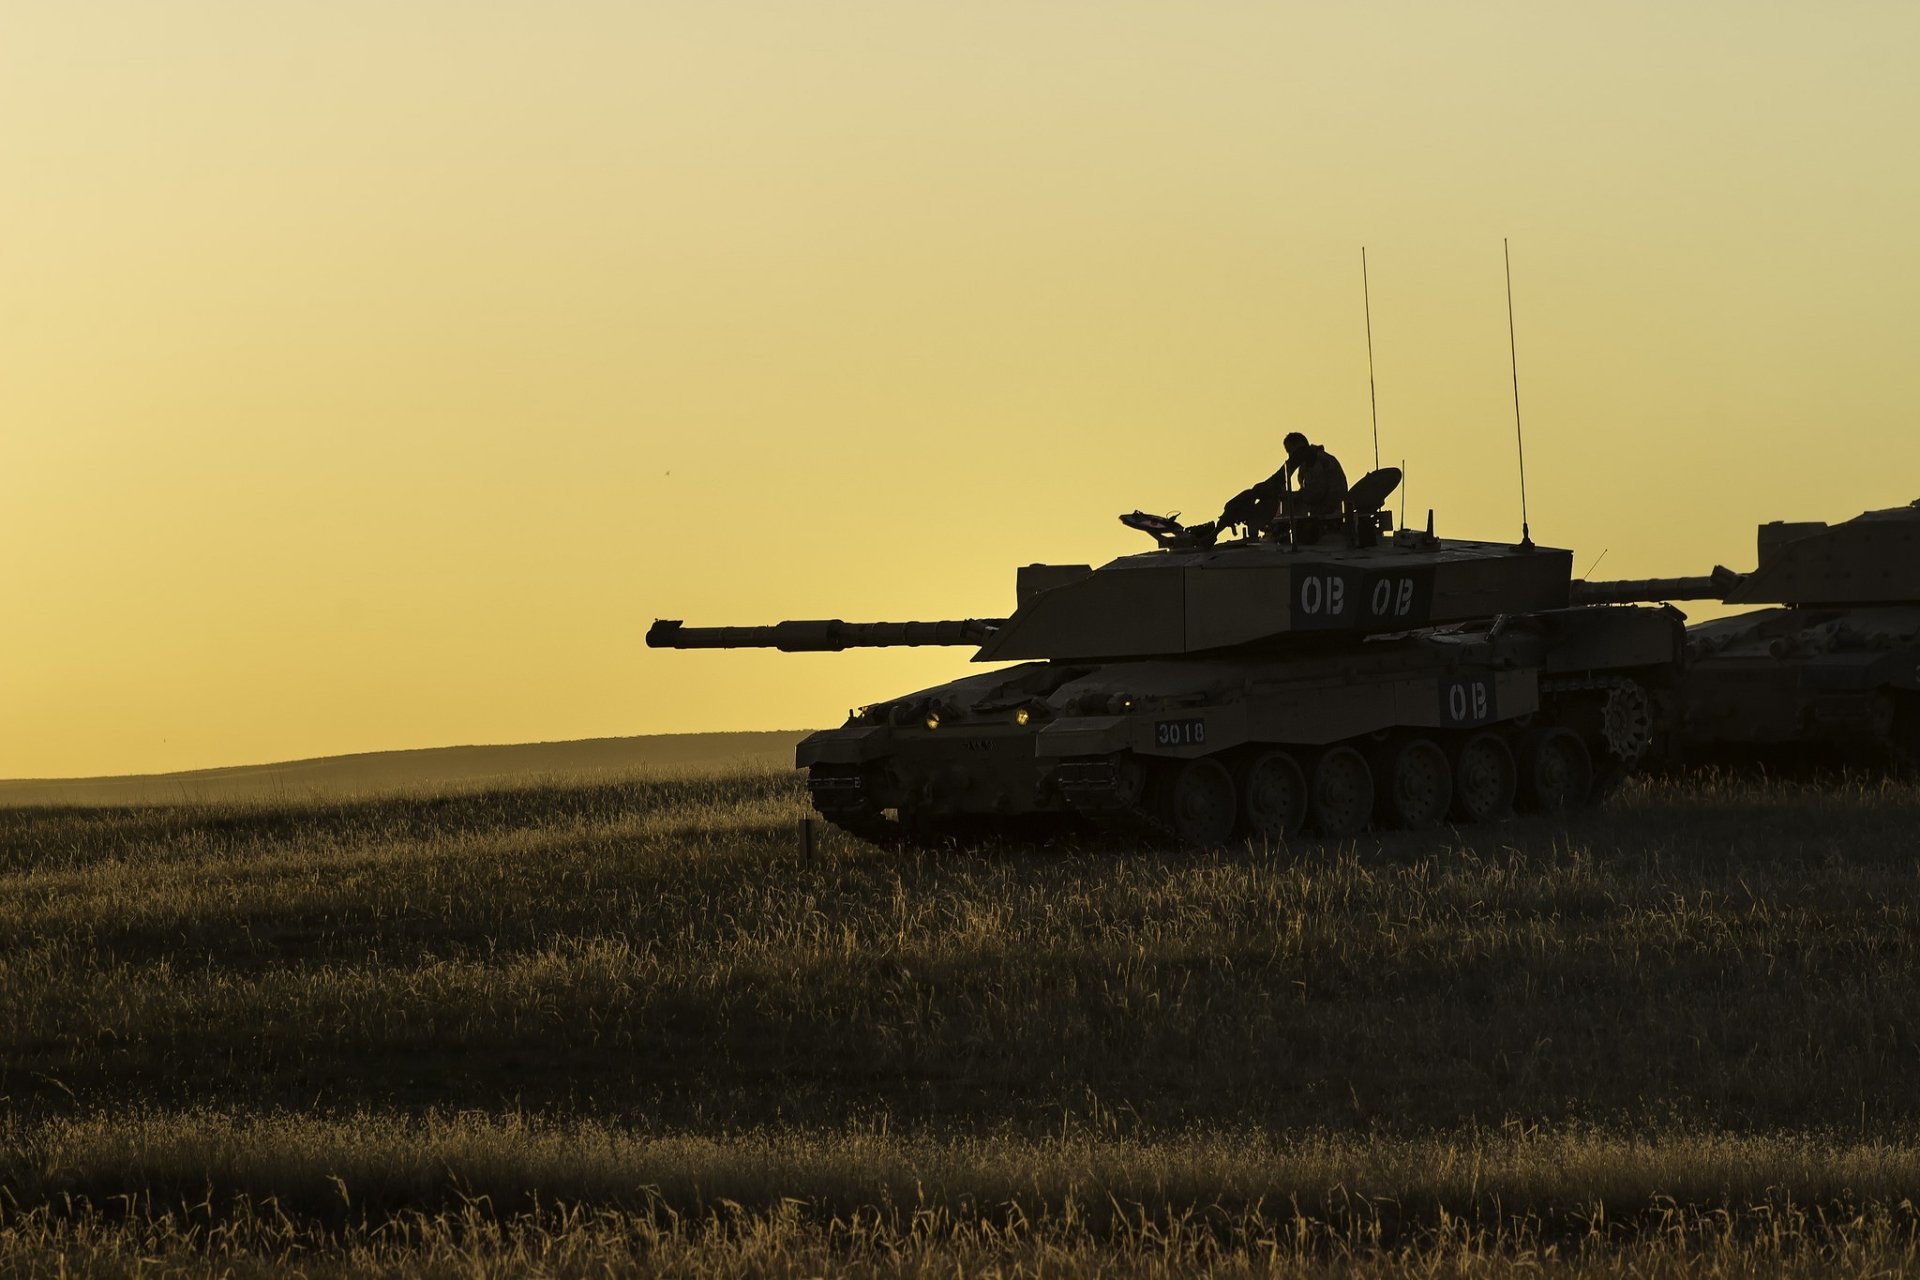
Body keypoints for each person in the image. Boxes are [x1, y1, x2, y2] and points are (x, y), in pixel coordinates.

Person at [1279, 432, 1348, 519]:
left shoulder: (1316, 461)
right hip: (1328, 513)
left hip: (1329, 516)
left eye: (1290, 451)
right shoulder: (1311, 461)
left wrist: (1292, 496)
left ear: (1300, 447)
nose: (1290, 456)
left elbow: (1316, 493)